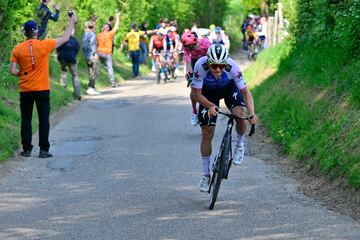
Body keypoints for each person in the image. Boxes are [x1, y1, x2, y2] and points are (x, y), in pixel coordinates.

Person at [190, 43, 258, 192]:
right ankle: (206, 174)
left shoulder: (232, 67)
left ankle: (240, 144)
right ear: (208, 62)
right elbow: (196, 94)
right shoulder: (200, 66)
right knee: (207, 133)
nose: (218, 69)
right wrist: (209, 106)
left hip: (229, 89)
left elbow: (246, 92)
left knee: (240, 115)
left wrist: (252, 113)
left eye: (221, 66)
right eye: (214, 65)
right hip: (207, 93)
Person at [9, 15, 78, 158]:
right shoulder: (45, 45)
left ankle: (27, 149)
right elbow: (65, 38)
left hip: (26, 90)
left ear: (24, 33)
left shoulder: (17, 49)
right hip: (42, 89)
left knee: (26, 119)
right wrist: (71, 21)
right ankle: (43, 150)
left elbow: (12, 70)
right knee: (43, 119)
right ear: (36, 32)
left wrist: (22, 73)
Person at [181, 31, 211, 126]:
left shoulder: (205, 43)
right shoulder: (186, 47)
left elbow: (213, 57)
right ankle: (194, 111)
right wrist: (189, 74)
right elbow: (188, 61)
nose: (185, 49)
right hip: (194, 61)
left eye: (187, 47)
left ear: (193, 44)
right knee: (193, 88)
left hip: (206, 60)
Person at [96, 11, 120, 87]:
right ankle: (113, 83)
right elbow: (116, 26)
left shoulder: (98, 35)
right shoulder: (110, 34)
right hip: (107, 53)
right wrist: (118, 17)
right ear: (109, 29)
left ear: (103, 28)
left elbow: (95, 44)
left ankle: (97, 80)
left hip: (99, 53)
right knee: (110, 67)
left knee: (98, 65)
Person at [56, 29, 81, 100]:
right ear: (73, 33)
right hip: (72, 59)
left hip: (63, 59)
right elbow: (77, 49)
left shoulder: (62, 39)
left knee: (63, 73)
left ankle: (63, 91)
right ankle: (77, 94)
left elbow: (58, 49)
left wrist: (59, 56)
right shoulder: (75, 41)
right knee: (75, 75)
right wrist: (73, 54)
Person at [82, 20, 100, 95]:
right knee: (95, 71)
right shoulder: (92, 34)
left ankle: (92, 88)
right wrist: (94, 53)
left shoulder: (84, 34)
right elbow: (92, 44)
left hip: (86, 55)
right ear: (93, 26)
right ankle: (91, 88)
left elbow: (84, 46)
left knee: (90, 71)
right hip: (92, 55)